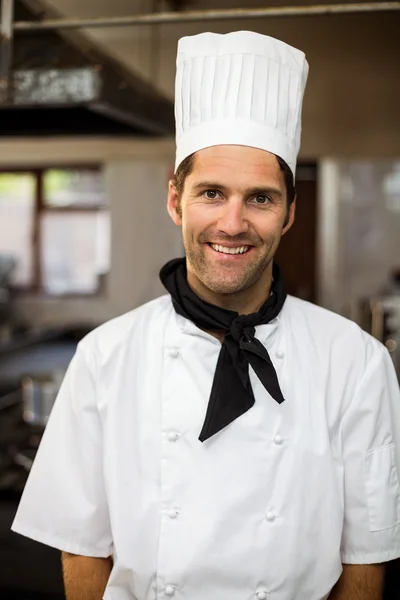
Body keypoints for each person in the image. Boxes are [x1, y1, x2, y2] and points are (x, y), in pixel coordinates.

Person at [12, 31, 400, 600]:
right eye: (212, 194)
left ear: (289, 211)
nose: (233, 223)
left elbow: (365, 561)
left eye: (260, 198)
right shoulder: (104, 355)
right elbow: (83, 548)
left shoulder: (356, 362)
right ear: (176, 200)